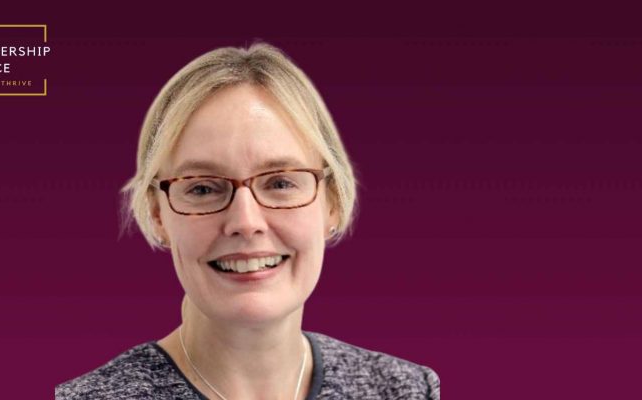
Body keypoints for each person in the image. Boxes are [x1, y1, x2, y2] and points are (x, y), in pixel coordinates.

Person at [56, 41, 440, 400]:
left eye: (280, 183)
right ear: (158, 213)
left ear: (333, 203)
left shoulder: (407, 390)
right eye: (203, 188)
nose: (245, 221)